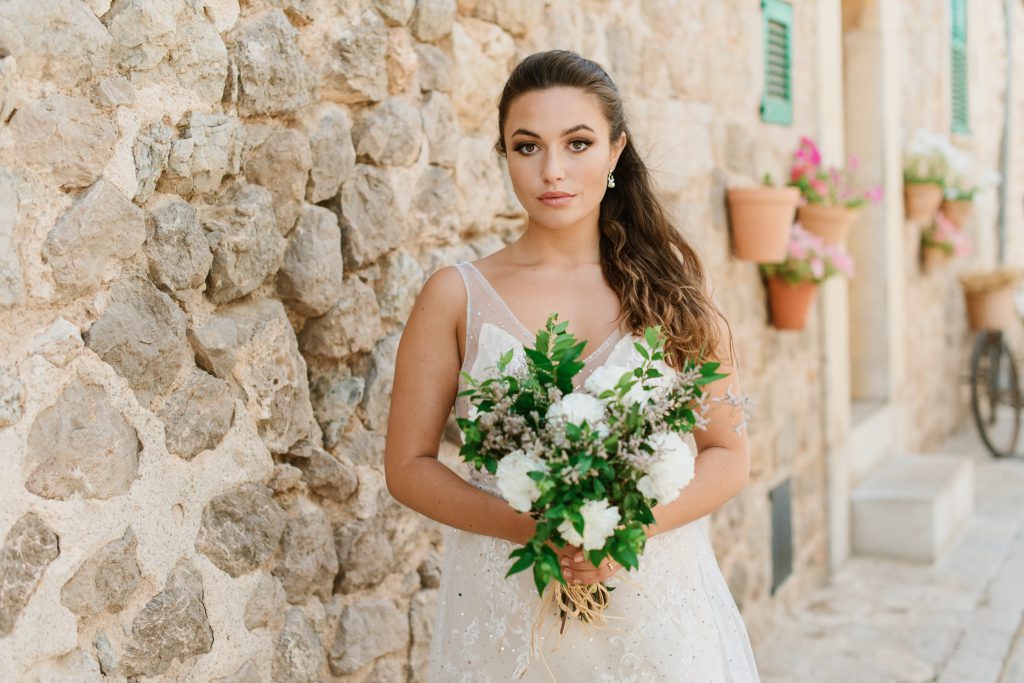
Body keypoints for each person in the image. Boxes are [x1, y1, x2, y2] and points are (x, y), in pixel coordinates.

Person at [385, 49, 760, 682]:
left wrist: (624, 535)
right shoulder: (456, 295)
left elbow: (727, 453)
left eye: (578, 143)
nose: (552, 171)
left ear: (616, 151)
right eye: (527, 147)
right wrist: (532, 528)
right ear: (504, 156)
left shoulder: (673, 292)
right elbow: (408, 467)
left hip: (657, 602)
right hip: (509, 607)